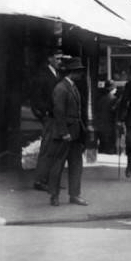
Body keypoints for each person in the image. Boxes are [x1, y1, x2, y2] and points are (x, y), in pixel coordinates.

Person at [46, 57, 88, 206]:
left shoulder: (72, 87)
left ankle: (75, 195)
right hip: (64, 134)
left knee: (76, 164)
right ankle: (54, 195)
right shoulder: (61, 88)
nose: (81, 74)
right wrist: (64, 132)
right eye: (79, 72)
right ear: (73, 73)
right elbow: (58, 112)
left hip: (75, 133)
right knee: (58, 165)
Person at [30, 48, 62, 192]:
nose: (60, 61)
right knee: (47, 148)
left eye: (61, 59)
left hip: (57, 117)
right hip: (50, 117)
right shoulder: (43, 76)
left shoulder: (57, 75)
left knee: (55, 149)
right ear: (50, 59)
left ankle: (50, 180)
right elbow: (36, 99)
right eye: (57, 58)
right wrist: (45, 113)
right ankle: (40, 180)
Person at [94, 80, 118, 154]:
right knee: (110, 148)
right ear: (112, 89)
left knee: (102, 146)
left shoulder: (100, 99)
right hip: (110, 126)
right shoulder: (114, 99)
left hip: (100, 126)